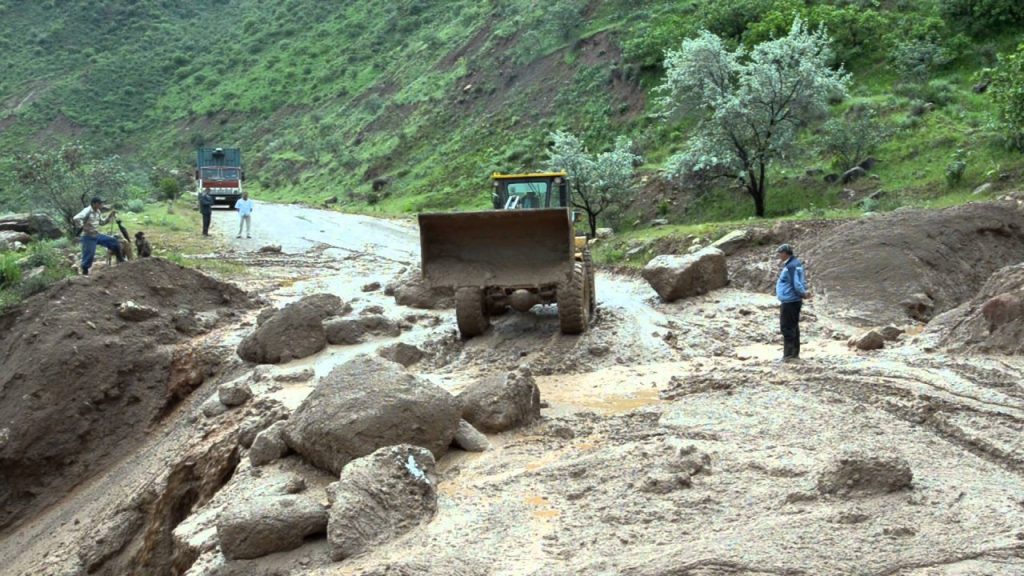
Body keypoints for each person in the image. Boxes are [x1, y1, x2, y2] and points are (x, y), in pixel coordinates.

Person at [775, 243, 811, 362]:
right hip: (792, 300)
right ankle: (794, 354)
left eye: (780, 253)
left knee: (787, 327)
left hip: (790, 301)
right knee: (793, 326)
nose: (779, 255)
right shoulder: (795, 264)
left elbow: (796, 284)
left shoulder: (791, 266)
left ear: (785, 253)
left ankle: (789, 355)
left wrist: (803, 293)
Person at [73, 196, 122, 276]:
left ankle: (121, 260)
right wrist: (83, 227)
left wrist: (110, 216)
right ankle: (85, 272)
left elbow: (102, 223)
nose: (101, 205)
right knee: (89, 255)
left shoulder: (98, 211)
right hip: (88, 237)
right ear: (94, 204)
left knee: (114, 242)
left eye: (101, 203)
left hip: (96, 235)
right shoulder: (87, 210)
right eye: (100, 203)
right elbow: (76, 218)